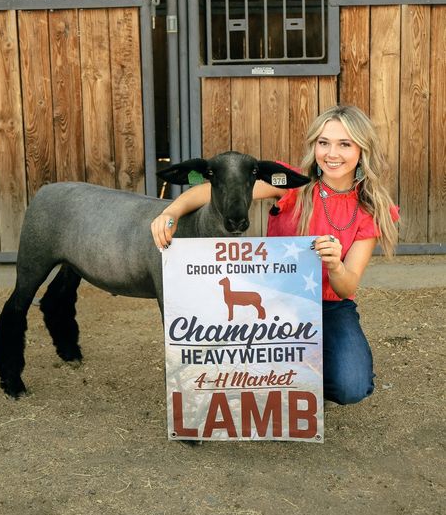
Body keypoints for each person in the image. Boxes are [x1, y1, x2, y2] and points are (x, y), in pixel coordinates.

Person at [151, 105, 399, 405]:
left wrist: (334, 264)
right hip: (273, 299)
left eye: (344, 144)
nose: (332, 153)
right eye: (324, 143)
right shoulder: (291, 183)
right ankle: (272, 373)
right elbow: (212, 191)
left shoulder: (369, 210)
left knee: (352, 386)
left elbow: (347, 287)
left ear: (362, 148)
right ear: (314, 146)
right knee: (239, 364)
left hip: (328, 306)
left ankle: (298, 378)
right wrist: (171, 211)